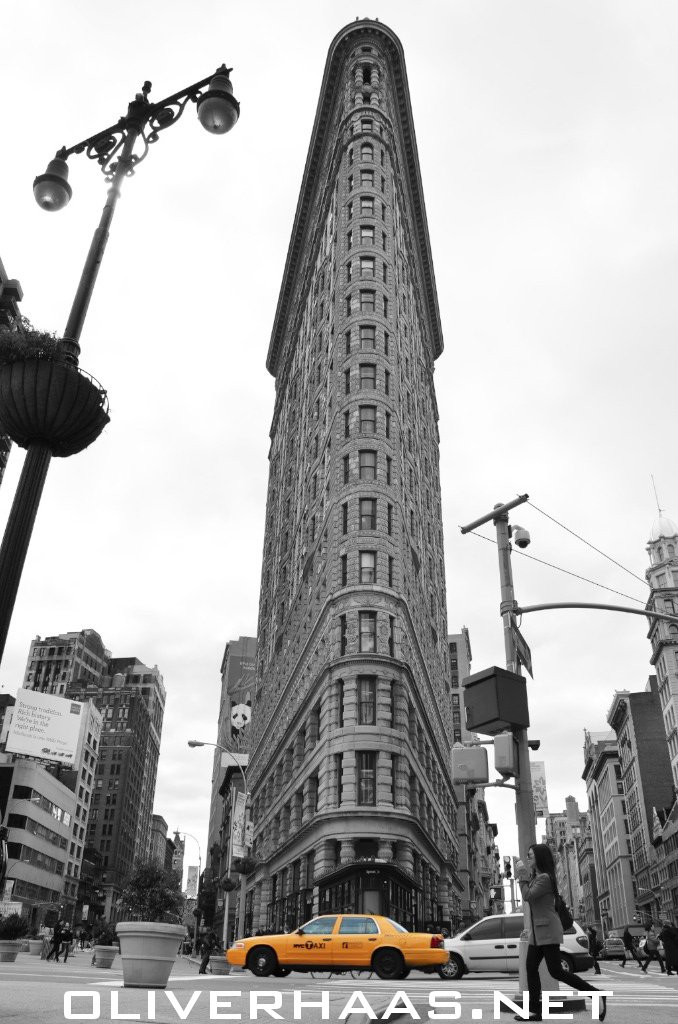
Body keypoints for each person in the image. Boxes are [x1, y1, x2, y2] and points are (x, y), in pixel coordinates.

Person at [515, 844, 607, 1022]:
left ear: (540, 857)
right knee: (531, 968)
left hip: (548, 930)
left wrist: (521, 875)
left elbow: (528, 896)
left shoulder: (545, 878)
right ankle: (535, 1011)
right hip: (537, 933)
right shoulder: (537, 878)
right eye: (527, 855)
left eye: (531, 855)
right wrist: (524, 877)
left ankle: (595, 994)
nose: (527, 858)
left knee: (556, 971)